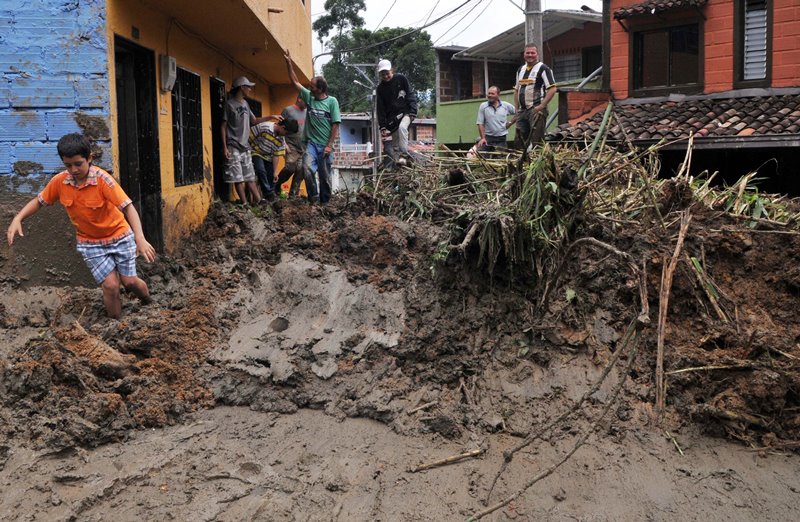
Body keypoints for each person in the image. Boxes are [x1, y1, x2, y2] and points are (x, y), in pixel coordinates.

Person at [6, 133, 156, 319]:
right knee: (110, 286)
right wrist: (18, 218)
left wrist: (139, 238)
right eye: (68, 165)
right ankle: (116, 324)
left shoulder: (103, 180)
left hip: (120, 236)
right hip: (91, 243)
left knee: (130, 282)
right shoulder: (60, 182)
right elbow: (39, 201)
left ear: (89, 158)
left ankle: (148, 301)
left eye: (78, 164)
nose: (74, 170)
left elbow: (128, 207)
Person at [283, 49, 341, 204]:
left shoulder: (332, 102)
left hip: (325, 146)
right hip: (311, 144)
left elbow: (335, 125)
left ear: (321, 89)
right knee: (306, 169)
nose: (310, 88)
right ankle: (313, 198)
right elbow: (294, 82)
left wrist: (329, 146)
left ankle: (325, 203)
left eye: (312, 86)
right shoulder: (309, 97)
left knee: (325, 176)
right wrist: (289, 63)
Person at [221, 76, 273, 205]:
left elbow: (254, 121)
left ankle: (260, 201)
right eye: (248, 87)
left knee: (250, 176)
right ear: (242, 88)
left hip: (245, 146)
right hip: (233, 145)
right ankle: (244, 204)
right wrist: (225, 147)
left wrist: (271, 117)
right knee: (238, 178)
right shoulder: (229, 104)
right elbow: (223, 126)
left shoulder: (246, 104)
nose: (250, 89)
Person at [513, 44, 556, 150]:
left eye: (533, 53)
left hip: (536, 110)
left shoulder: (544, 69)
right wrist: (516, 108)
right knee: (519, 140)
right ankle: (521, 163)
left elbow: (552, 89)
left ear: (537, 54)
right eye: (528, 53)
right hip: (522, 111)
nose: (530, 55)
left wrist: (541, 106)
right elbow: (516, 90)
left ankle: (537, 164)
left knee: (537, 140)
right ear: (524, 54)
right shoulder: (520, 70)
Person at [376, 59, 417, 168]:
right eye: (382, 74)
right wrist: (383, 126)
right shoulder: (380, 89)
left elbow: (410, 94)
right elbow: (380, 109)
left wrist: (413, 110)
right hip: (392, 119)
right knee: (393, 146)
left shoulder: (401, 79)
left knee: (402, 128)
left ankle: (404, 155)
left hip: (406, 112)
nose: (385, 76)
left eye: (387, 73)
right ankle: (397, 167)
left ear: (392, 70)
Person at [250, 117, 299, 201]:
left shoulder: (281, 139)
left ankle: (271, 194)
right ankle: (268, 194)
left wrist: (275, 172)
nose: (285, 135)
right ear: (283, 127)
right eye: (286, 133)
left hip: (268, 157)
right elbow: (249, 136)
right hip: (256, 152)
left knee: (271, 175)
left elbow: (276, 155)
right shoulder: (265, 127)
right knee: (261, 170)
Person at [276, 96, 307, 197]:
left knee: (300, 171)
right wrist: (284, 144)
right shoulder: (288, 110)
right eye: (306, 100)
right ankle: (275, 184)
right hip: (290, 145)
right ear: (299, 99)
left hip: (303, 146)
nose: (308, 103)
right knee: (290, 168)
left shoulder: (307, 111)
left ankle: (293, 195)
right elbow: (279, 127)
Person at [477, 85, 516, 151]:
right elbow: (480, 123)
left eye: (492, 93)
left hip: (501, 139)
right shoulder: (483, 106)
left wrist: (510, 123)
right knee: (484, 158)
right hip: (488, 138)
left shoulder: (505, 105)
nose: (490, 95)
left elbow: (518, 113)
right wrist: (483, 138)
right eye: (489, 93)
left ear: (498, 95)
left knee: (501, 158)